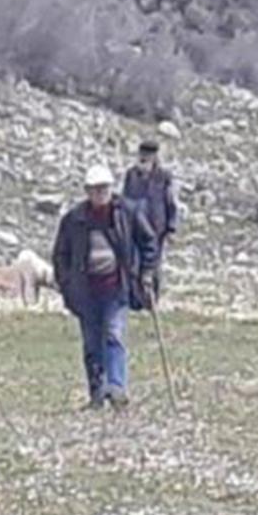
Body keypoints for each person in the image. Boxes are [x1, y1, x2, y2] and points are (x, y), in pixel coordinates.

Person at [52, 165, 158, 410]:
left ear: (111, 189)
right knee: (91, 343)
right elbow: (61, 255)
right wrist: (66, 283)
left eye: (104, 189)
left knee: (113, 334)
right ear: (87, 192)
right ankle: (97, 394)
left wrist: (147, 272)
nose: (100, 194)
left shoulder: (127, 213)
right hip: (86, 291)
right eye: (94, 190)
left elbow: (148, 242)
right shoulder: (74, 220)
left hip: (116, 286)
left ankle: (117, 387)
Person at [121, 140, 180, 300]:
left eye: (148, 155)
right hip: (134, 225)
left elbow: (170, 201)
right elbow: (124, 199)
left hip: (156, 228)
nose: (144, 158)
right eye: (142, 154)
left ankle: (152, 297)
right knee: (133, 262)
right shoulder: (131, 174)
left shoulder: (163, 176)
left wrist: (171, 227)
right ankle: (135, 297)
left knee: (153, 263)